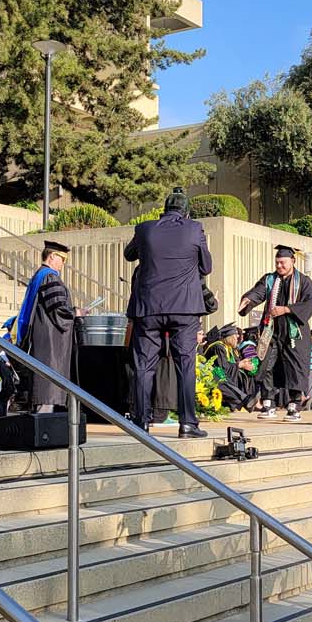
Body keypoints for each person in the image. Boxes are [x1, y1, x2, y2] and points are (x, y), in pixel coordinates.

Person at [124, 188, 213, 439]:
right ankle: (187, 425)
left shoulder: (144, 228)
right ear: (185, 212)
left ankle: (140, 423)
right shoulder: (195, 229)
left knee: (144, 366)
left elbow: (128, 254)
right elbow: (206, 266)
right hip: (184, 309)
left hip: (149, 307)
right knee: (185, 365)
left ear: (164, 210)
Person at [238, 246, 312, 420]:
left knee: (295, 368)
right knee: (266, 364)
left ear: (292, 261)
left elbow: (311, 302)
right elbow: (258, 292)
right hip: (271, 330)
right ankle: (268, 404)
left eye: (283, 262)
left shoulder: (304, 282)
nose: (279, 266)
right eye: (277, 262)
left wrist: (287, 309)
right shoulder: (269, 280)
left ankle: (294, 406)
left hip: (294, 332)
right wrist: (248, 300)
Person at [13, 241, 77, 412]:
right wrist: (76, 313)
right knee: (48, 383)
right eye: (62, 259)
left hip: (41, 335)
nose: (63, 264)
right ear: (52, 256)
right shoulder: (50, 276)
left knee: (43, 381)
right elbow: (58, 309)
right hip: (50, 338)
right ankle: (43, 422)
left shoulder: (39, 275)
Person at [204, 322, 258, 411]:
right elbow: (222, 368)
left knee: (244, 374)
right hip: (213, 377)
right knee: (223, 379)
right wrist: (239, 365)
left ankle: (247, 400)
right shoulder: (218, 347)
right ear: (229, 338)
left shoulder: (229, 348)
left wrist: (245, 364)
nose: (238, 339)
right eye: (235, 337)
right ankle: (246, 400)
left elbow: (234, 364)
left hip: (222, 376)